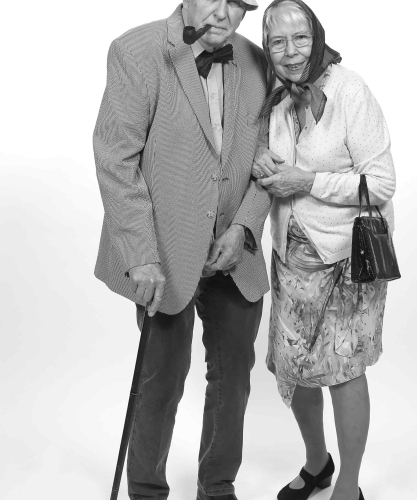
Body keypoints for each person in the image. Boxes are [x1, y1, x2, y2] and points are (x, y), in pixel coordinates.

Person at [93, 1, 272, 499]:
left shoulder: (257, 61)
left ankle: (217, 485)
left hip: (234, 250)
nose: (221, 13)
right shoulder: (136, 51)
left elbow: (269, 159)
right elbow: (115, 158)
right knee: (163, 378)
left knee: (233, 378)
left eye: (236, 3)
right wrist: (140, 254)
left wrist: (244, 228)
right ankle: (146, 490)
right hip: (164, 251)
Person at [252, 1, 396, 499]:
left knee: (343, 372)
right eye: (277, 41)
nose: (290, 52)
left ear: (318, 37)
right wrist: (259, 158)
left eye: (301, 38)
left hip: (346, 260)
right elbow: (260, 153)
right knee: (294, 367)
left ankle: (348, 487)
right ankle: (318, 465)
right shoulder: (272, 96)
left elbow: (381, 183)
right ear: (266, 48)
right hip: (290, 258)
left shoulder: (350, 91)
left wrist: (307, 181)